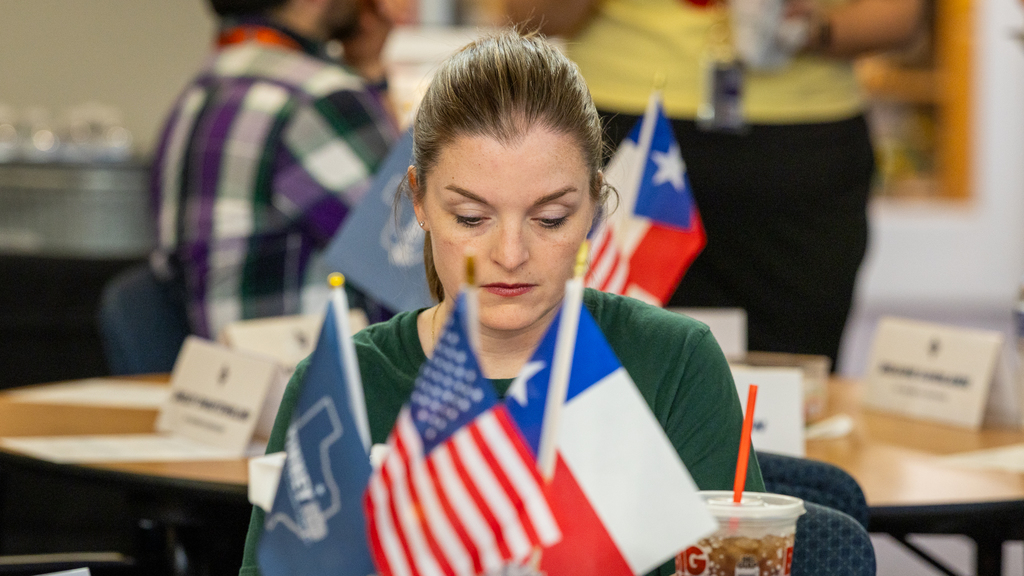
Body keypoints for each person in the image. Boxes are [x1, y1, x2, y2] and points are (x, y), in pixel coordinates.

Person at [238, 30, 763, 576]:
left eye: (550, 218)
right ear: (418, 200)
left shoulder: (675, 364)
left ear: (594, 206)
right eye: (471, 218)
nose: (510, 255)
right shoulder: (338, 387)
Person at [507, 0, 924, 369]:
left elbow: (900, 17)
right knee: (608, 369)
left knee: (792, 376)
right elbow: (529, 13)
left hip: (802, 145)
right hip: (625, 130)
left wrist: (814, 29)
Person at [149, 0, 400, 341]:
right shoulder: (317, 98)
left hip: (227, 370)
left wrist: (367, 69)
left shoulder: (201, 90)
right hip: (315, 378)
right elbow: (413, 260)